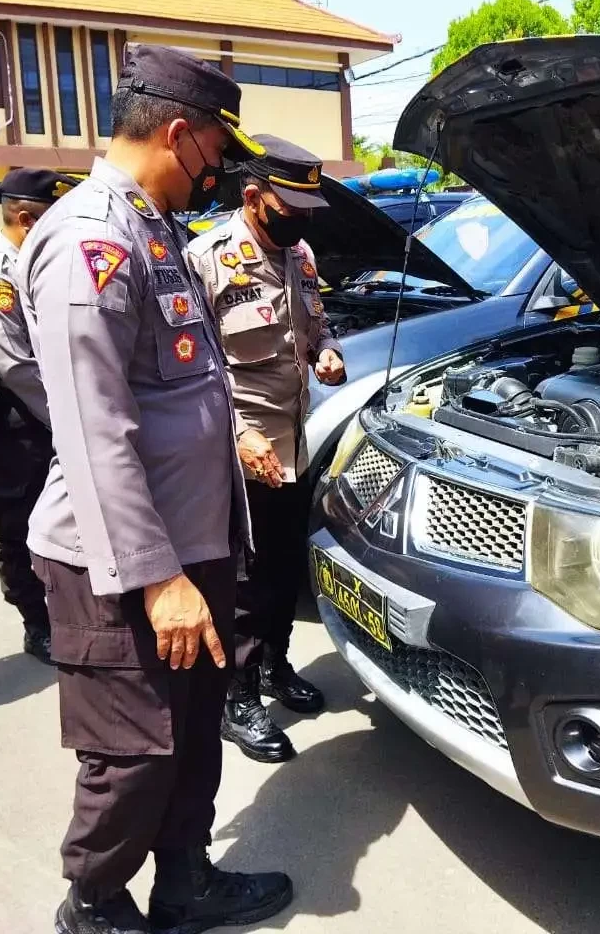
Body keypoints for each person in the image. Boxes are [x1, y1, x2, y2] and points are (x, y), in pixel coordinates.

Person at [16, 46, 292, 934]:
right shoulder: (89, 239)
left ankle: (184, 882)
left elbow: (180, 378)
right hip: (126, 560)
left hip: (194, 542)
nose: (218, 174)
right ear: (178, 134)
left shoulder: (154, 227)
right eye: (215, 153)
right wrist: (157, 576)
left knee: (193, 729)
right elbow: (95, 429)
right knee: (132, 752)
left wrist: (235, 433)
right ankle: (94, 904)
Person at [186, 134, 345, 764]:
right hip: (239, 448)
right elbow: (192, 365)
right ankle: (239, 696)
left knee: (282, 570)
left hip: (291, 445)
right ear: (254, 198)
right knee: (246, 581)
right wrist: (239, 435)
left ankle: (276, 666)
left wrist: (326, 351)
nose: (301, 218)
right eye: (290, 207)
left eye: (308, 209)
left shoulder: (298, 254)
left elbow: (315, 323)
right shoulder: (207, 259)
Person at [0, 168, 76, 666]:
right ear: (26, 221)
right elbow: (20, 367)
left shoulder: (38, 267)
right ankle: (36, 622)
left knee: (60, 518)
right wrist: (73, 422)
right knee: (15, 523)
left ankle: (65, 609)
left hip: (46, 413)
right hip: (9, 421)